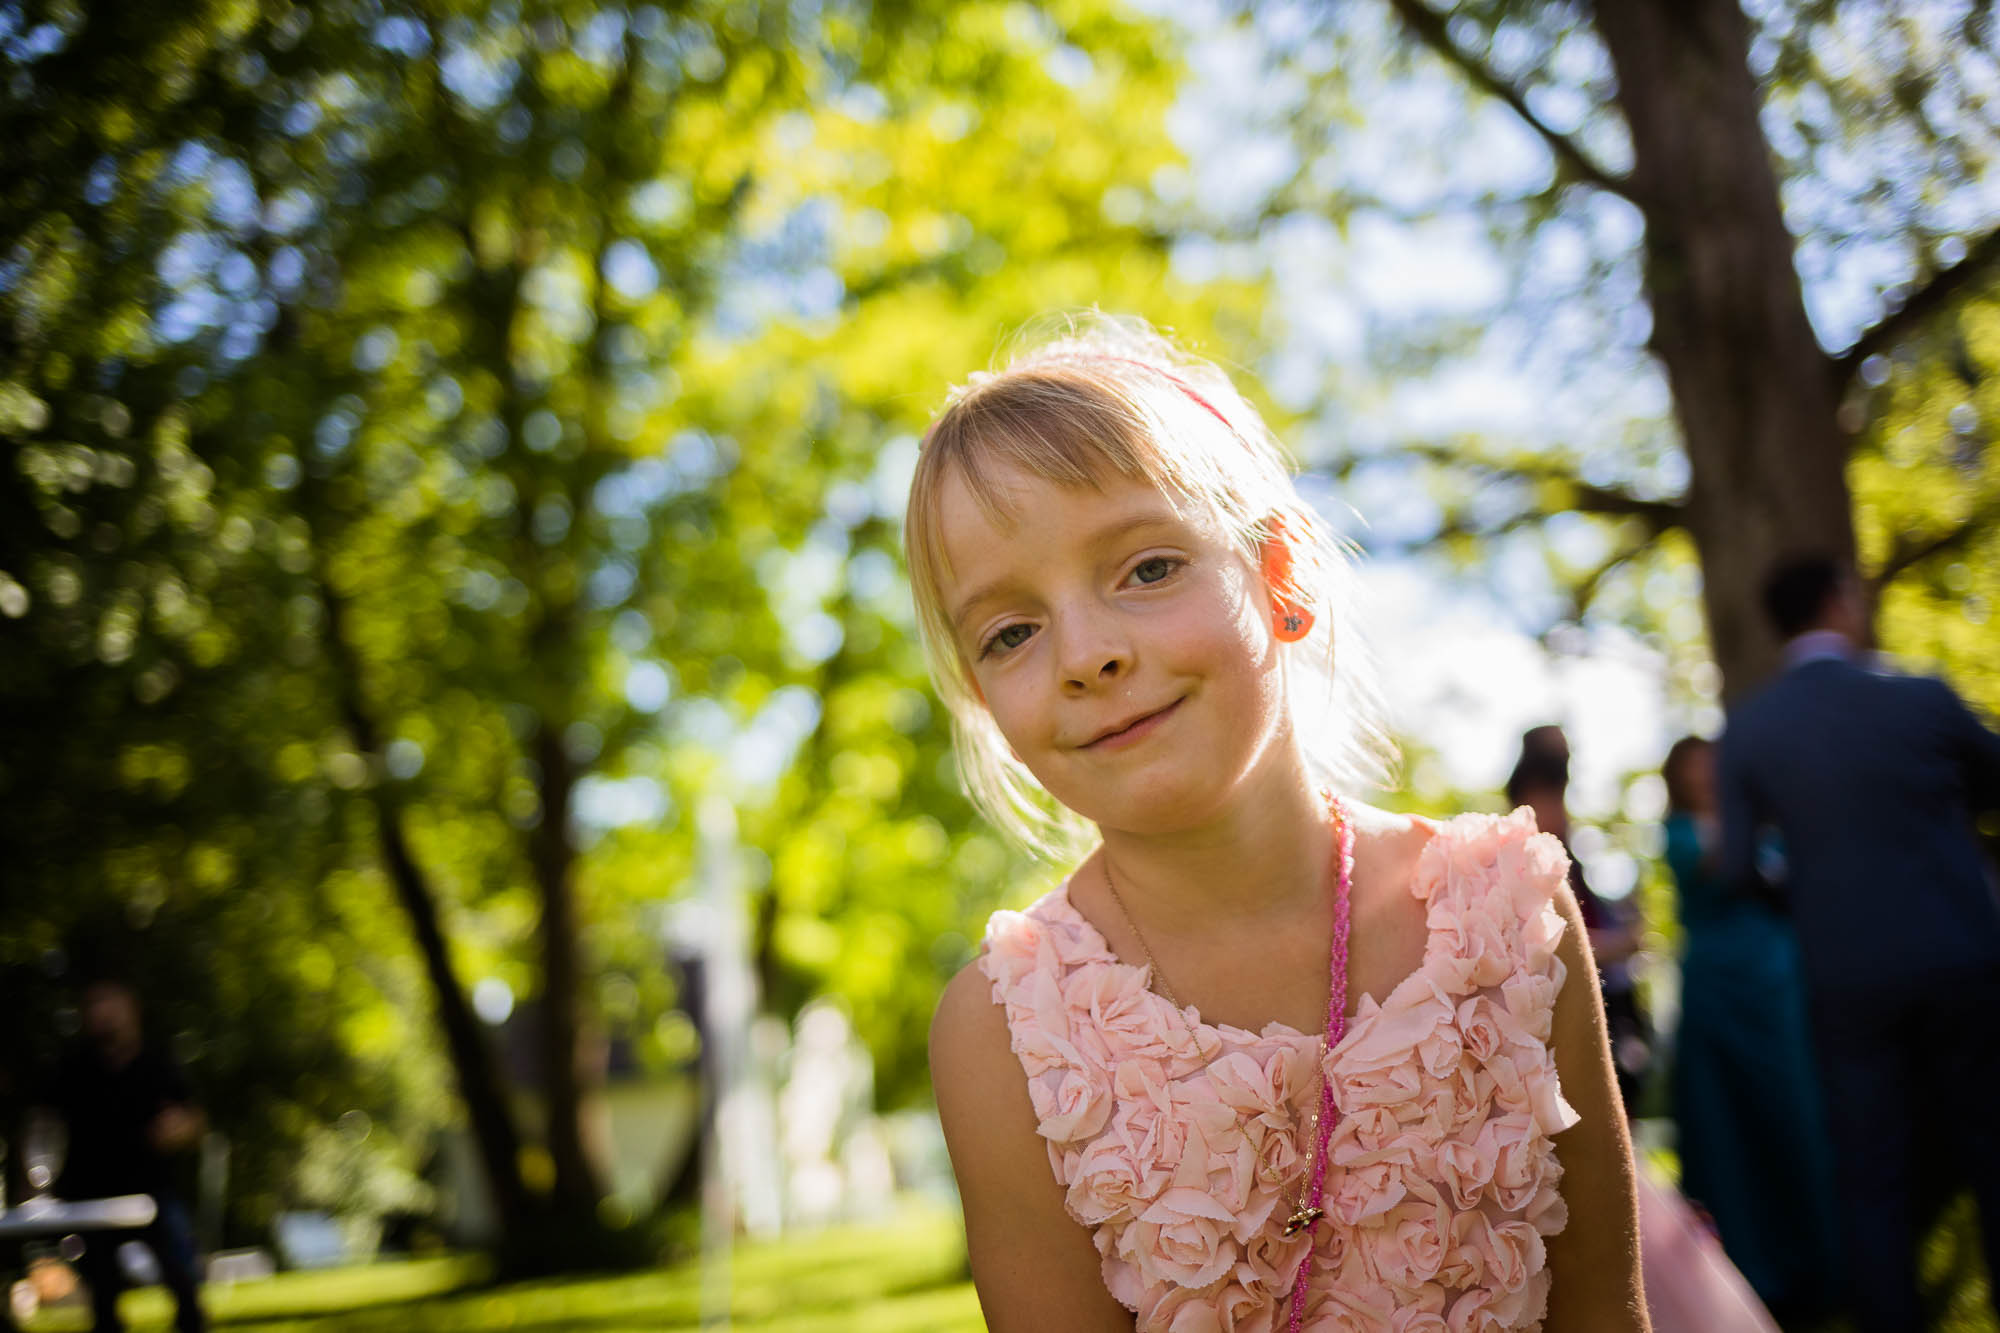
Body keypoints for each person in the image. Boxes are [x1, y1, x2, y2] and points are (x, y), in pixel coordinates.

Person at [915, 315, 1648, 1331]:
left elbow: (1603, 1312)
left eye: (1147, 567)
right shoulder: (1002, 1035)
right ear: (982, 699)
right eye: (1010, 631)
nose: (1083, 653)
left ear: (1281, 575)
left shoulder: (1508, 917)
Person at [1719, 554, 2000, 1333]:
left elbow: (1737, 867)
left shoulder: (1750, 727)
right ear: (1839, 603)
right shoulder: (1920, 697)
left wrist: (1811, 899)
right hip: (1966, 955)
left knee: (1871, 1173)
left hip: (1843, 973)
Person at [1660, 735, 1838, 1323]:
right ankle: (1746, 1272)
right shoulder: (1685, 833)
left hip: (1774, 986)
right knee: (1725, 1127)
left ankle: (1818, 1268)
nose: (1705, 775)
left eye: (1712, 763)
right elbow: (1720, 866)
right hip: (1717, 993)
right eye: (1694, 767)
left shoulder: (1761, 825)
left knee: (1791, 1116)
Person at [1502, 731, 1652, 1112]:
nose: (1561, 811)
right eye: (1550, 797)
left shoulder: (1569, 861)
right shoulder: (1521, 863)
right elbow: (1546, 942)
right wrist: (1620, 943)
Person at [49, 977, 208, 1333]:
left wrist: (179, 1127)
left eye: (111, 1003)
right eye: (94, 1005)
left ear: (131, 1008)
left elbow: (194, 1119)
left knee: (183, 1283)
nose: (103, 1013)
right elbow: (44, 1128)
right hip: (90, 1198)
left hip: (152, 1192)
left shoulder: (157, 1063)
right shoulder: (73, 1069)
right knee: (104, 1296)